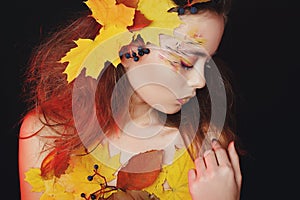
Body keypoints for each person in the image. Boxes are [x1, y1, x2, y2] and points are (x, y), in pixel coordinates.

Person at [18, 0, 243, 199]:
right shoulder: (48, 136)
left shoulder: (203, 146)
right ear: (128, 49)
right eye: (185, 62)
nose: (201, 82)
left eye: (208, 62)